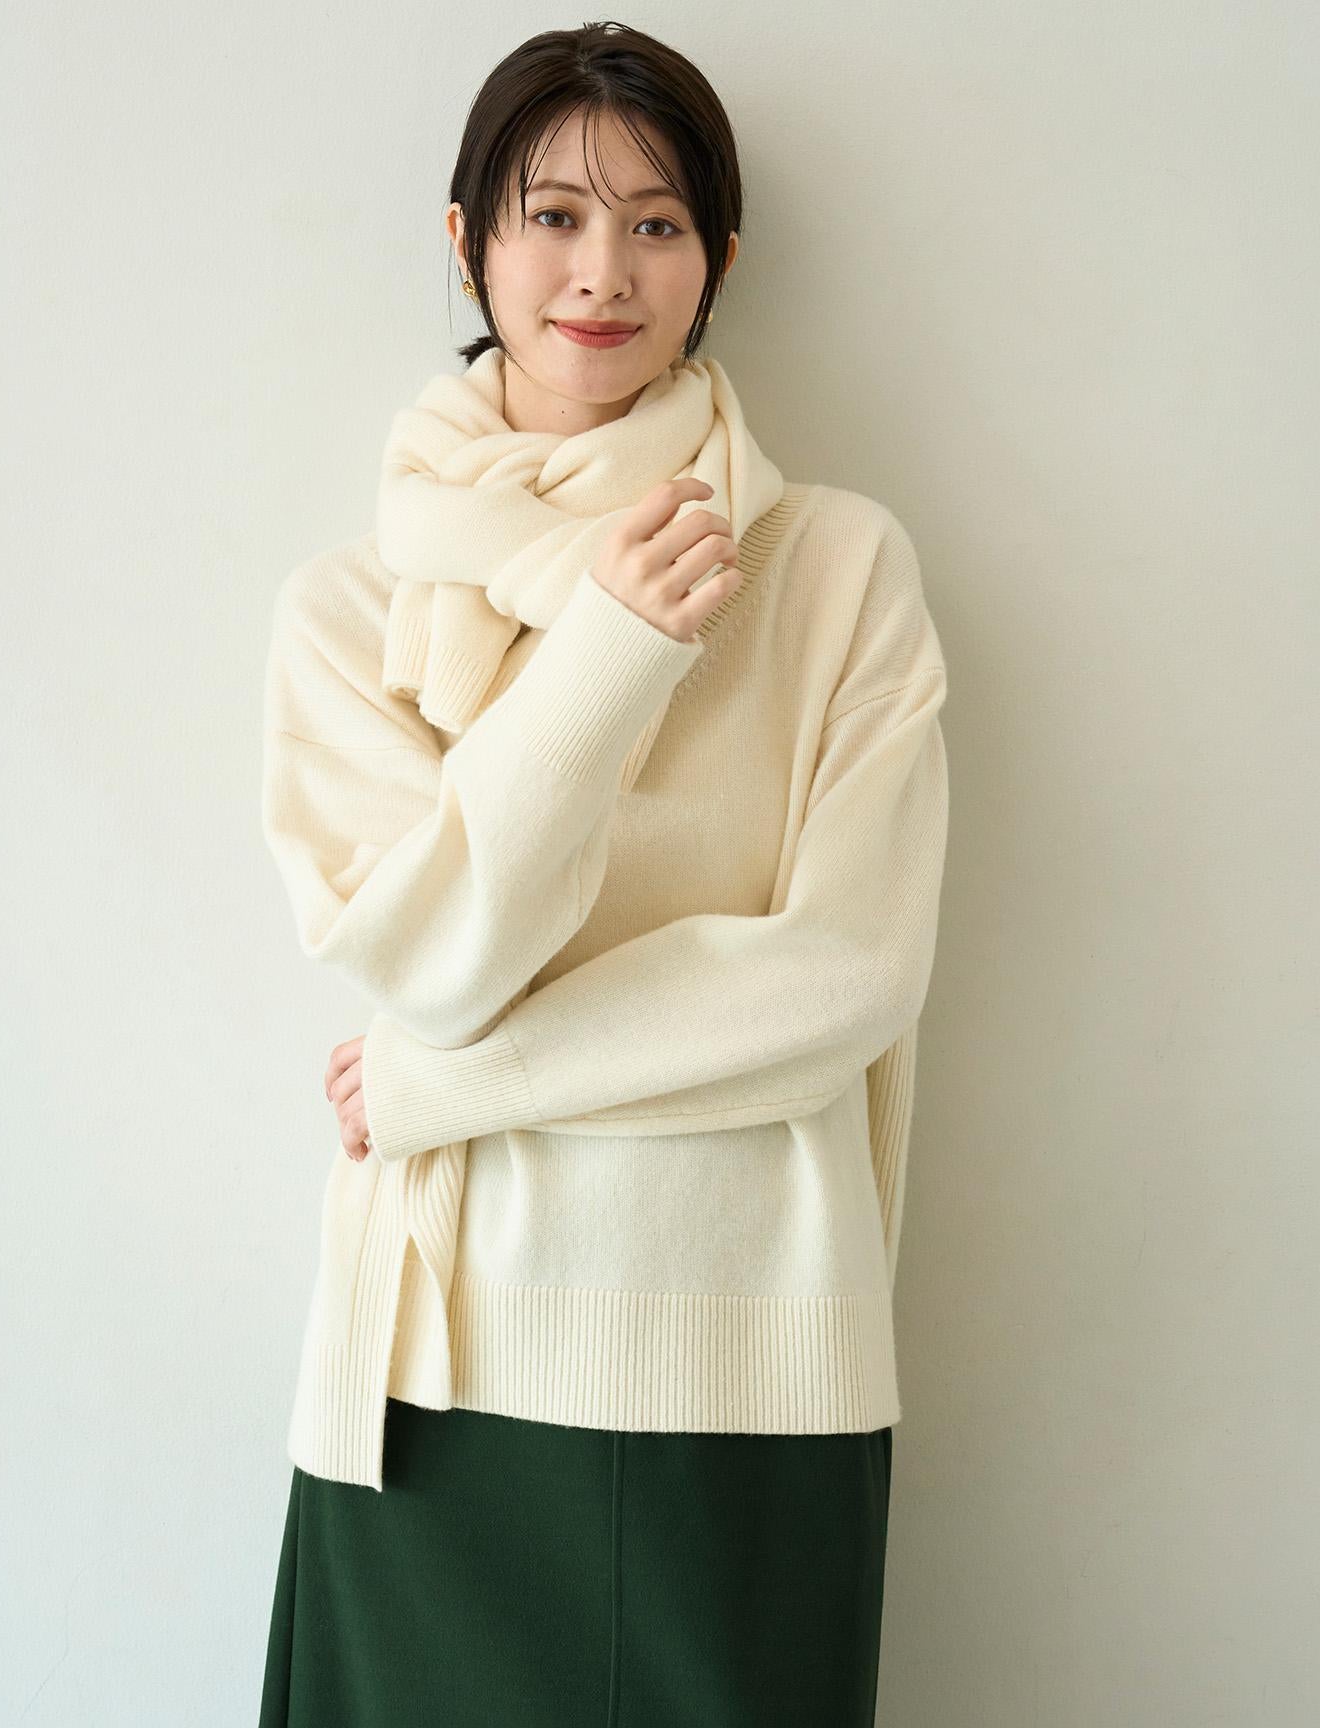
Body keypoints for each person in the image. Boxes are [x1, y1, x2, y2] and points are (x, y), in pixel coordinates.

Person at [257, 21, 949, 1728]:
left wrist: (437, 1091)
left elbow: (843, 984)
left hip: (752, 1366)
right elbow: (434, 962)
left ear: (721, 262)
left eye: (657, 224)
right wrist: (610, 652)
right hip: (433, 1385)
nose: (602, 271)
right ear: (467, 240)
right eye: (553, 215)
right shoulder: (349, 612)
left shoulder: (835, 566)